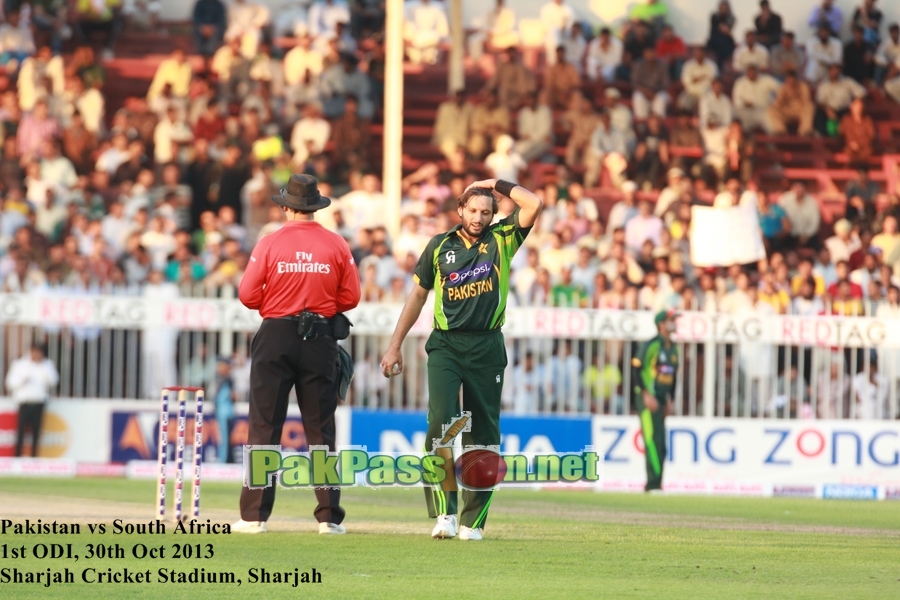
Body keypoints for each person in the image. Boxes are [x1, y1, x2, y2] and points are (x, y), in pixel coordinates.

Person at [380, 178, 542, 541]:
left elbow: (534, 203)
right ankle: (445, 514)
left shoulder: (502, 239)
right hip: (446, 346)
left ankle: (473, 522)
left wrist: (492, 183)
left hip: (487, 346)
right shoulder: (439, 246)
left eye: (486, 211)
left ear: (493, 214)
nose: (479, 217)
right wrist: (394, 346)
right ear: (460, 211)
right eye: (473, 210)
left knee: (483, 433)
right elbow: (417, 296)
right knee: (440, 423)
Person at [233, 174, 361, 535]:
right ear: (315, 207)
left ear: (286, 206)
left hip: (276, 332)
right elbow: (350, 297)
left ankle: (254, 517)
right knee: (321, 431)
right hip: (319, 337)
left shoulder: (271, 242)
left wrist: (275, 302)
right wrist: (319, 307)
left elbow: (247, 294)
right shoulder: (336, 244)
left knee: (264, 426)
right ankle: (329, 518)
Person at [632, 309, 679, 492]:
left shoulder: (673, 347)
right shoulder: (651, 345)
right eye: (671, 320)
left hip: (661, 399)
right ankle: (652, 485)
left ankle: (657, 483)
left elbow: (673, 375)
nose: (675, 323)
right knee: (651, 440)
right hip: (648, 399)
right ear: (661, 324)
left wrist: (670, 400)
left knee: (661, 443)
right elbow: (636, 370)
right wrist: (645, 394)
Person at [6, 344, 59, 457]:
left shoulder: (47, 364)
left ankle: (34, 457)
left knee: (37, 432)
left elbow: (54, 381)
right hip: (24, 402)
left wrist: (41, 367)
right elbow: (10, 383)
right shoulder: (20, 364)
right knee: (21, 432)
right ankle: (17, 457)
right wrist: (22, 380)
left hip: (39, 402)